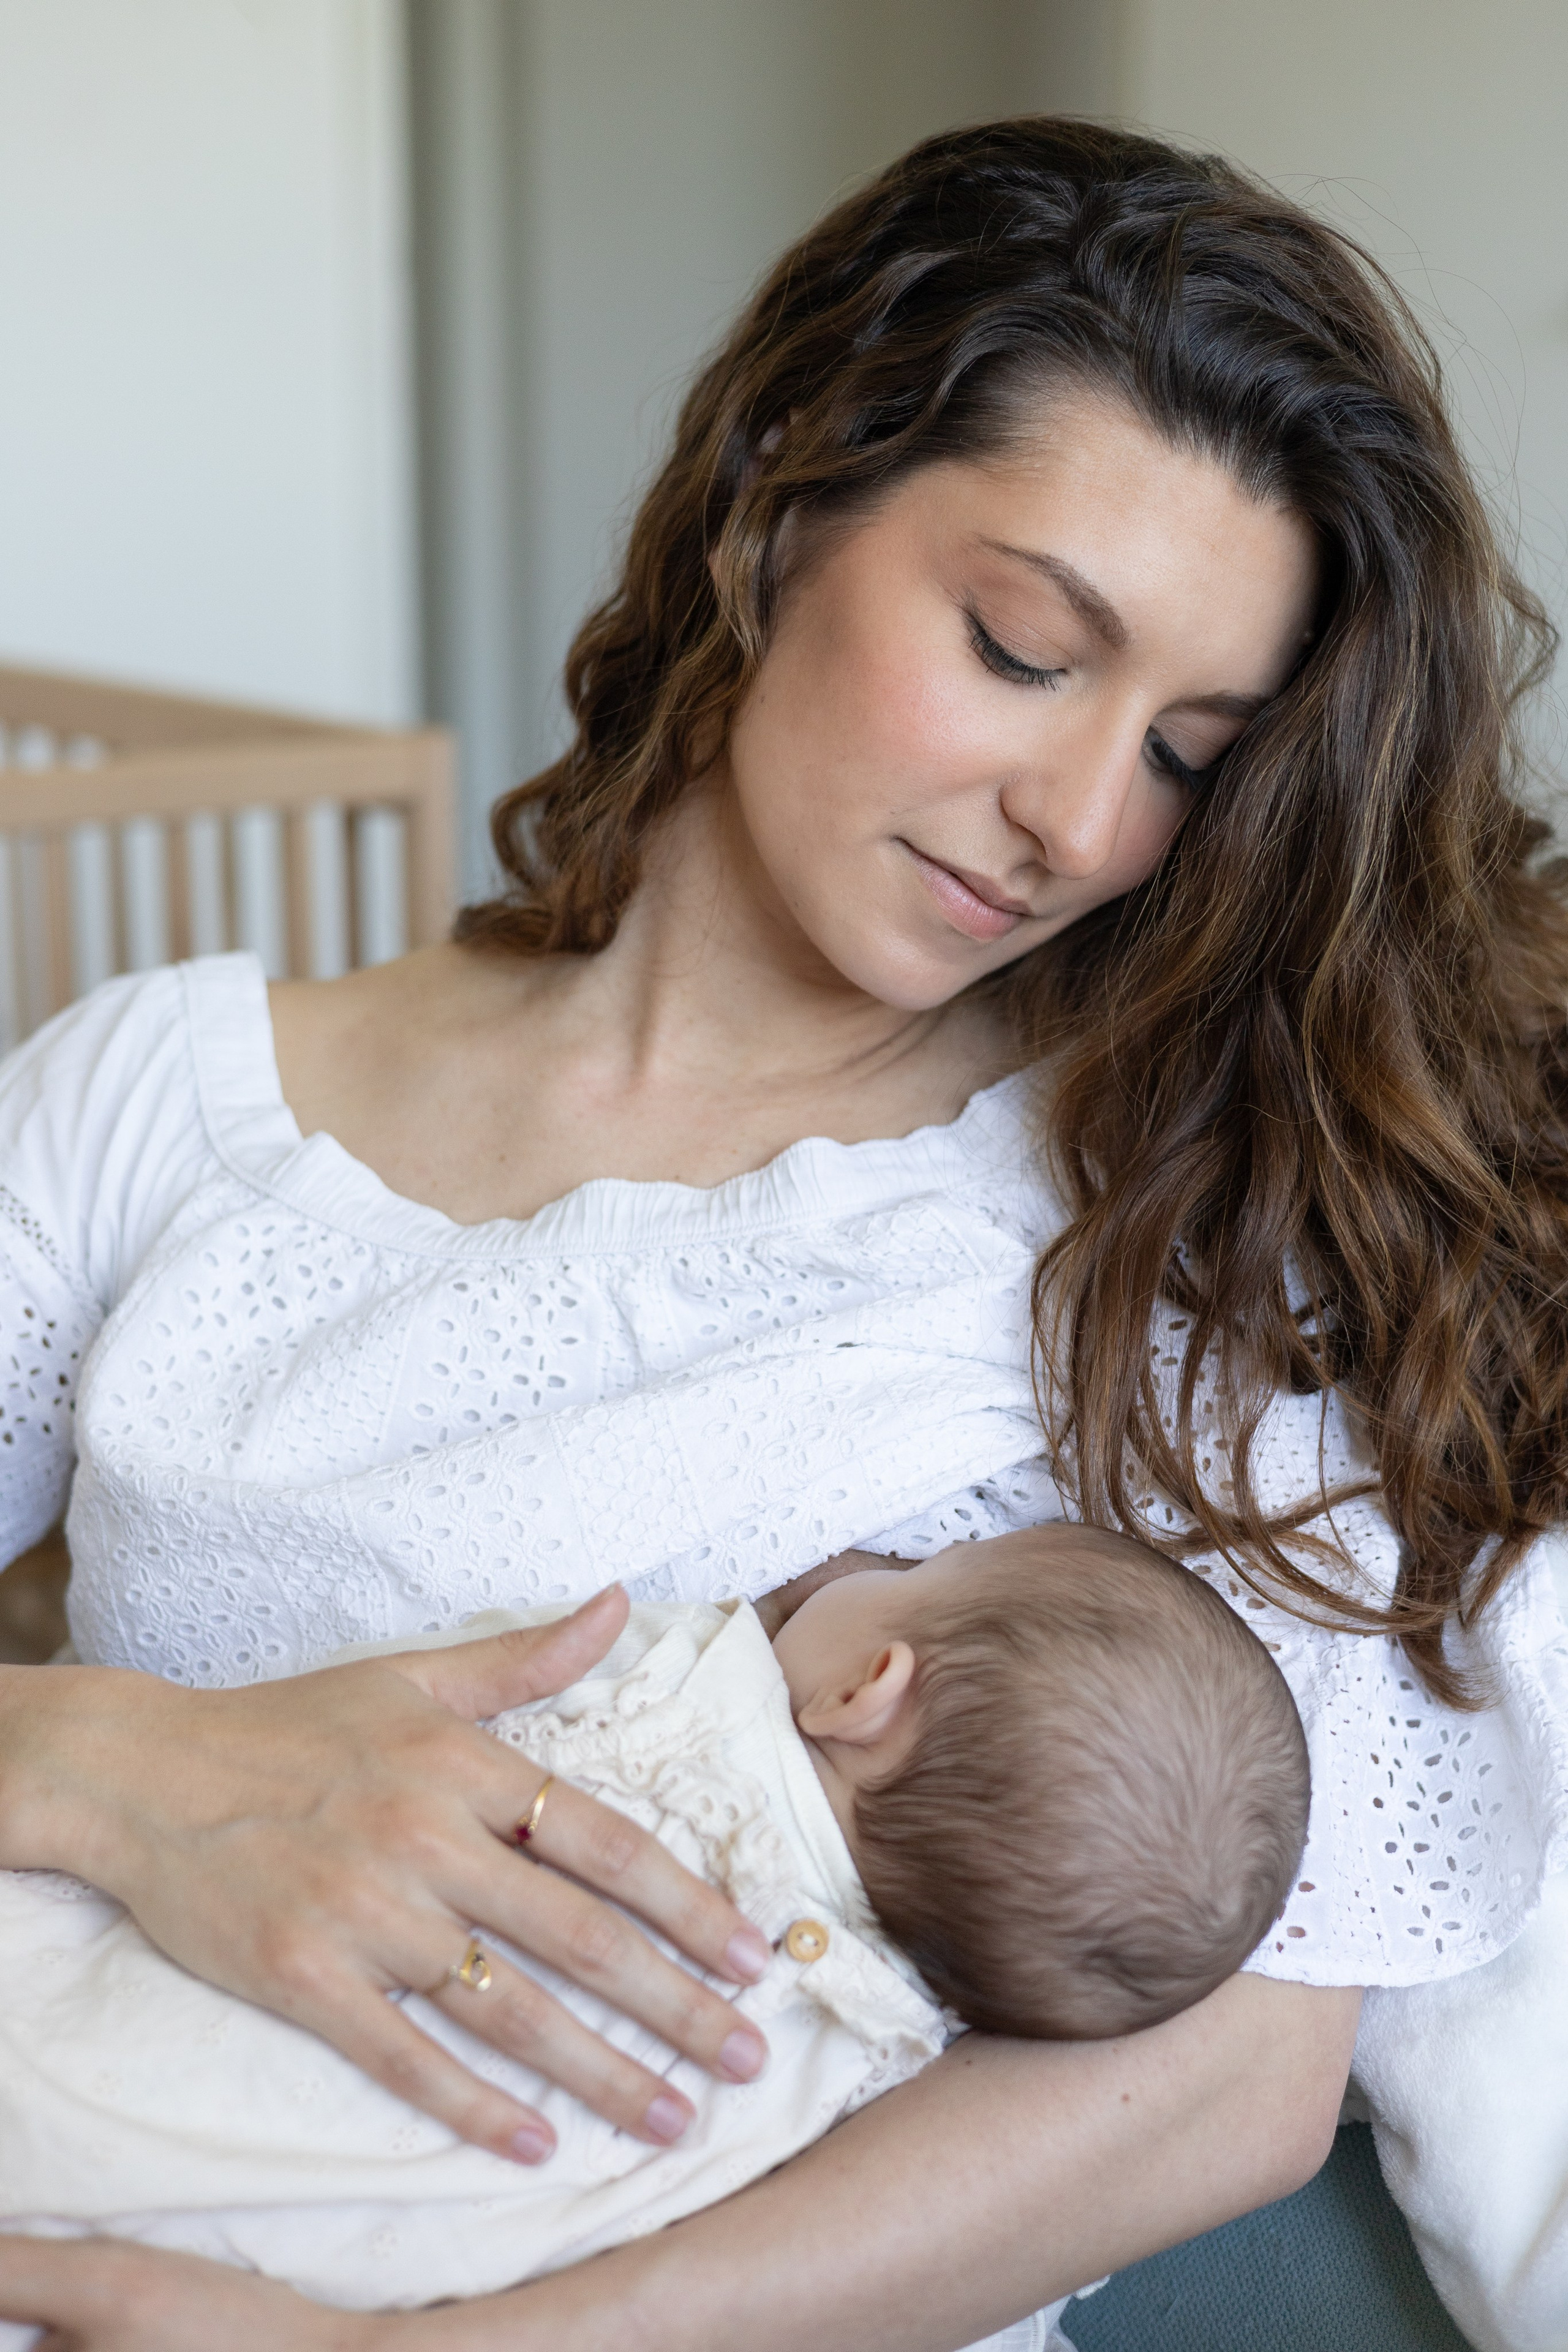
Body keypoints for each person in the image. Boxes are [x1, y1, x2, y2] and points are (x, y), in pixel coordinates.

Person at [0, 115, 1564, 2352]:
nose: (1084, 822)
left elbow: (1224, 2074)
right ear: (781, 501)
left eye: (1195, 756)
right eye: (1026, 648)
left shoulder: (1167, 1219)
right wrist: (118, 1767)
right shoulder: (154, 1105)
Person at [0, 1526, 1309, 2339]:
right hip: (238, 2277)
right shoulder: (857, 2076)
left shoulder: (675, 1685)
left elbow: (393, 1716)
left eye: (915, 1571)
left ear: (866, 1688)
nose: (874, 1562)